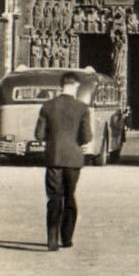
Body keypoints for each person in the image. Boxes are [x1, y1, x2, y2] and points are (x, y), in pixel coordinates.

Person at [34, 72, 93, 251]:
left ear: (61, 86)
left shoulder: (47, 106)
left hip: (54, 158)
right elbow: (87, 136)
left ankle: (52, 239)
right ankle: (66, 238)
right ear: (75, 86)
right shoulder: (82, 108)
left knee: (54, 198)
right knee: (70, 196)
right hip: (74, 160)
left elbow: (39, 134)